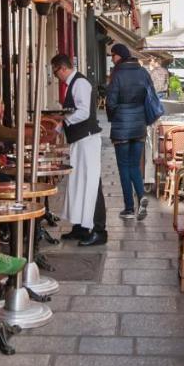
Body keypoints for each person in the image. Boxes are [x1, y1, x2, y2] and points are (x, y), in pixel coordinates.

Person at [51, 53, 106, 246]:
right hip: (79, 139)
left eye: (55, 71)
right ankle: (81, 227)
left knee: (91, 183)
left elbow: (83, 112)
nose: (56, 76)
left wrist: (63, 120)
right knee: (78, 183)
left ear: (62, 68)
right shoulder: (73, 84)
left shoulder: (80, 83)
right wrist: (58, 127)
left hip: (87, 139)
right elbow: (71, 112)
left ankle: (99, 230)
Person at [105, 43, 153, 220]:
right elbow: (151, 96)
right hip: (140, 125)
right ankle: (141, 196)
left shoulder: (117, 74)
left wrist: (114, 117)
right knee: (134, 165)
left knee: (124, 167)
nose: (112, 58)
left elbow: (110, 102)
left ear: (120, 56)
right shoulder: (142, 72)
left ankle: (129, 208)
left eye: (113, 55)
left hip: (122, 127)